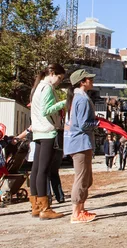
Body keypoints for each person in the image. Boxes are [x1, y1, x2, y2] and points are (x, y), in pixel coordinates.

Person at [29, 63, 67, 220]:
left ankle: (36, 205)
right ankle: (45, 208)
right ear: (51, 73)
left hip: (38, 131)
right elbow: (46, 110)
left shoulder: (38, 87)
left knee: (36, 169)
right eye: (59, 78)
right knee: (43, 170)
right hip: (47, 132)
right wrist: (65, 102)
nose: (59, 81)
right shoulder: (47, 88)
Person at [64, 69, 99, 224]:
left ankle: (81, 210)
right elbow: (84, 124)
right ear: (82, 82)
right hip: (81, 143)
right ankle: (76, 213)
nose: (92, 81)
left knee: (86, 178)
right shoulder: (82, 99)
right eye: (89, 79)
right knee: (81, 178)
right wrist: (97, 123)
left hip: (78, 143)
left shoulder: (76, 98)